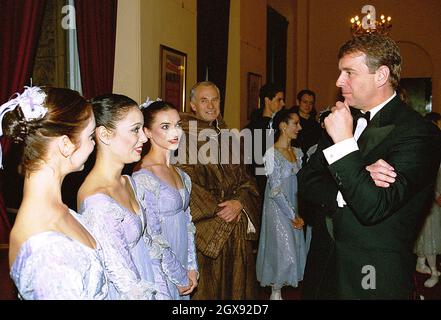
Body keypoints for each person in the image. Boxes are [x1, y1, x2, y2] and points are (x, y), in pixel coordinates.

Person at [298, 34, 441, 299]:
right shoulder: (342, 119)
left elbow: (372, 206)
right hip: (323, 265)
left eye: (349, 72)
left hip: (372, 274)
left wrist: (343, 144)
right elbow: (306, 182)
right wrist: (351, 186)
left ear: (381, 75)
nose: (339, 82)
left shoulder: (419, 133)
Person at [6, 86, 108, 299]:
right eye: (90, 136)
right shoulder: (44, 250)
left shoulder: (58, 209)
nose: (93, 145)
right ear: (66, 145)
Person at [77, 94, 170, 300]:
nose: (145, 138)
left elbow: (148, 244)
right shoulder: (97, 200)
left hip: (147, 279)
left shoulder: (127, 181)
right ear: (105, 134)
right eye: (135, 129)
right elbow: (124, 280)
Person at [175, 81, 261, 299]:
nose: (211, 105)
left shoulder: (228, 135)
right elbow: (186, 184)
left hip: (236, 226)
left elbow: (247, 179)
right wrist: (222, 213)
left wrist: (239, 202)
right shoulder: (183, 138)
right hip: (208, 231)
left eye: (215, 99)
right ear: (193, 105)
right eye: (204, 100)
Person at [132, 100, 198, 300]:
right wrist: (178, 275)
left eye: (177, 125)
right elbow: (152, 235)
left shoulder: (180, 173)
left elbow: (188, 222)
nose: (175, 132)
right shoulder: (143, 175)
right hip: (160, 267)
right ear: (148, 132)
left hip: (183, 259)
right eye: (165, 127)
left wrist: (192, 266)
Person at [256, 108, 306, 300]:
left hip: (295, 206)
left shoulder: (298, 152)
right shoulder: (271, 154)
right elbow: (275, 190)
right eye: (295, 123)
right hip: (278, 210)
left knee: (293, 249)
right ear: (283, 126)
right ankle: (275, 292)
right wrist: (292, 215)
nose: (299, 128)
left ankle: (280, 291)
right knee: (282, 252)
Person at [414, 112, 441, 288]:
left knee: (429, 233)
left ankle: (427, 267)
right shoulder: (427, 144)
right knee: (427, 233)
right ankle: (428, 268)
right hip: (429, 195)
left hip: (433, 194)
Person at [245, 83, 285, 196]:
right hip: (265, 187)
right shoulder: (258, 126)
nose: (283, 104)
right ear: (267, 100)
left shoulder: (278, 124)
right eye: (279, 100)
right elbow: (259, 166)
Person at [290, 89, 321, 162]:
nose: (308, 106)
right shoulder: (290, 121)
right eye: (305, 102)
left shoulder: (315, 125)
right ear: (298, 102)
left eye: (311, 103)